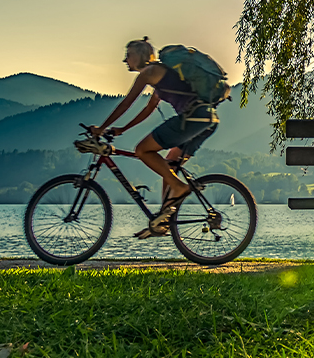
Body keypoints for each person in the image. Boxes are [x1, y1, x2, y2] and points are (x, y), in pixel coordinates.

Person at [88, 37, 220, 237]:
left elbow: (126, 104)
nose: (125, 60)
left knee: (142, 150)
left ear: (140, 54)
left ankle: (179, 188)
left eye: (128, 55)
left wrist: (102, 128)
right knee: (169, 165)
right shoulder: (160, 75)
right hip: (207, 119)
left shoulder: (149, 73)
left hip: (192, 118)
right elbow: (149, 108)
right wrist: (122, 129)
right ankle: (163, 221)